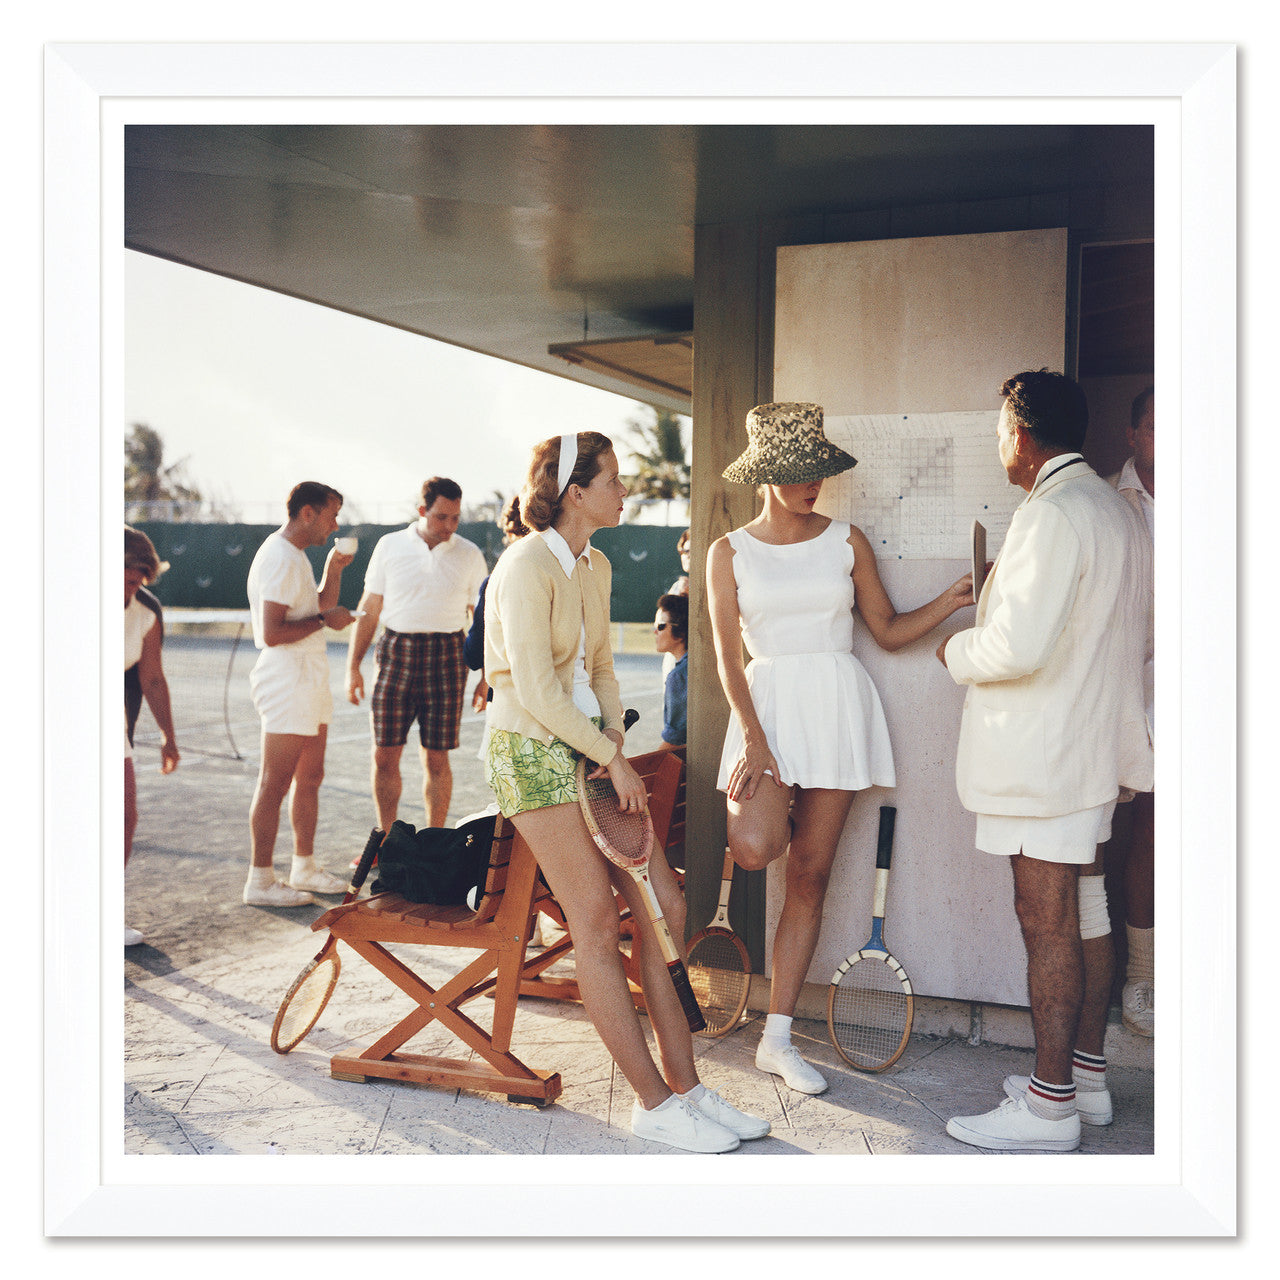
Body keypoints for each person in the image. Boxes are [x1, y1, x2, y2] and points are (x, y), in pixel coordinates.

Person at [484, 431, 769, 1152]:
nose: (625, 491)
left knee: (664, 908)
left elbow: (604, 669)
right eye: (613, 479)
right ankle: (652, 1104)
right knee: (596, 925)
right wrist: (611, 757)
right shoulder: (523, 567)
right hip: (530, 756)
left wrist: (610, 744)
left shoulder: (597, 564)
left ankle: (689, 1090)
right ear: (575, 491)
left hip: (587, 753)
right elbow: (538, 690)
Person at [708, 401, 975, 1095]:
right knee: (756, 847)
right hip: (764, 711)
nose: (813, 484)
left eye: (819, 471)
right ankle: (766, 1017)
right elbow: (727, 661)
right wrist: (756, 742)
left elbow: (884, 630)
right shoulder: (728, 551)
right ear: (766, 475)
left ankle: (777, 1037)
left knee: (811, 877)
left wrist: (952, 599)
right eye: (799, 473)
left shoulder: (846, 539)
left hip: (834, 706)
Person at [938, 371, 1153, 1153]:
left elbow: (1015, 647)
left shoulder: (1053, 513)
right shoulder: (1115, 510)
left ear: (1021, 436)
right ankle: (1086, 1080)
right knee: (1085, 910)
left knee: (1047, 919)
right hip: (1091, 750)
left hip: (1044, 760)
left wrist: (955, 647)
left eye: (1001, 426)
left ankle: (1049, 1106)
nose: (1000, 440)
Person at [346, 477, 487, 830]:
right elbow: (370, 606)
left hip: (448, 657)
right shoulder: (389, 545)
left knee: (437, 759)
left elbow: (484, 619)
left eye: (455, 518)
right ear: (422, 510)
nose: (449, 526)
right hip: (396, 653)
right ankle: (387, 841)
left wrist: (486, 676)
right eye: (441, 517)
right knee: (384, 755)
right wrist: (353, 667)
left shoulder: (469, 553)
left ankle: (434, 843)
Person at [244, 481, 355, 907]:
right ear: (307, 513)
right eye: (332, 514)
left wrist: (335, 569)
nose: (336, 524)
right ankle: (260, 879)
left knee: (310, 777)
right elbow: (271, 633)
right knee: (275, 782)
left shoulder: (296, 557)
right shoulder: (277, 556)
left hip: (308, 676)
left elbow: (317, 609)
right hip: (286, 678)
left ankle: (303, 866)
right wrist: (328, 620)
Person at [1107, 385, 1155, 1037]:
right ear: (1133, 433)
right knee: (1135, 830)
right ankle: (1138, 977)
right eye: (1154, 426)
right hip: (1125, 686)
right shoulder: (1107, 501)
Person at [124, 526, 180, 946]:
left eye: (143, 577)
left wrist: (168, 736)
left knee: (123, 817)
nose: (136, 586)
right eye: (128, 576)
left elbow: (153, 678)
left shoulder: (146, 610)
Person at [463, 494, 530, 713]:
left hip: (509, 702)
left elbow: (473, 654)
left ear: (510, 533)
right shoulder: (574, 574)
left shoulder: (495, 583)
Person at [653, 593, 688, 751]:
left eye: (660, 626)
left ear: (680, 632)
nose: (655, 632)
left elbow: (675, 741)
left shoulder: (678, 676)